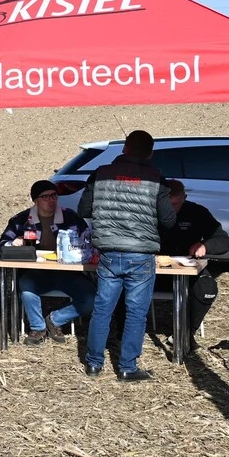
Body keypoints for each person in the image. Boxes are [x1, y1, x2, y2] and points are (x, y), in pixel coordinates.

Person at [79, 129, 175, 380]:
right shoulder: (156, 179)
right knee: (136, 312)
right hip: (141, 254)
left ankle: (93, 364)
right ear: (150, 153)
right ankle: (127, 367)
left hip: (108, 252)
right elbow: (167, 219)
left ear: (124, 149)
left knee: (102, 309)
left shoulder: (100, 174)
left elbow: (83, 209)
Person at [0, 179, 92, 343]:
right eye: (45, 197)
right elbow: (2, 244)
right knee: (26, 287)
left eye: (54, 196)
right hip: (35, 273)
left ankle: (55, 320)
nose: (51, 200)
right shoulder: (21, 220)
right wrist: (15, 243)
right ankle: (37, 329)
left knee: (92, 299)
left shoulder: (70, 217)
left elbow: (88, 240)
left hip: (67, 272)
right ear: (35, 200)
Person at [160, 178, 229, 335]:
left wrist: (205, 246)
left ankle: (187, 331)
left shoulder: (197, 212)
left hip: (187, 272)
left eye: (176, 205)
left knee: (207, 288)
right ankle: (123, 333)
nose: (171, 210)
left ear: (184, 198)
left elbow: (224, 241)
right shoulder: (149, 213)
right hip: (153, 272)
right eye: (167, 205)